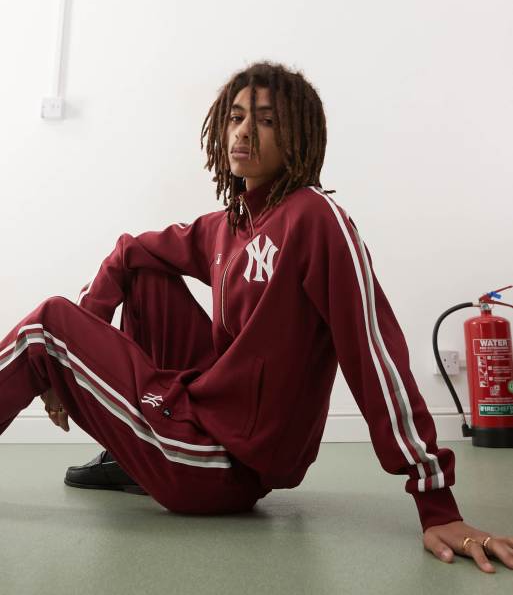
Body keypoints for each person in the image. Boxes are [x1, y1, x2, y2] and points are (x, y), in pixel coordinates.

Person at [1, 60, 512, 573]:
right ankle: (129, 459)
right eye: (236, 117)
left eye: (266, 120)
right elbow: (128, 250)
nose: (244, 131)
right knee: (143, 271)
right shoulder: (228, 226)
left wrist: (436, 503)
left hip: (220, 464)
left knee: (46, 326)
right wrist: (85, 332)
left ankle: (139, 444)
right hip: (201, 416)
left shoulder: (314, 219)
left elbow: (373, 351)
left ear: (298, 137)